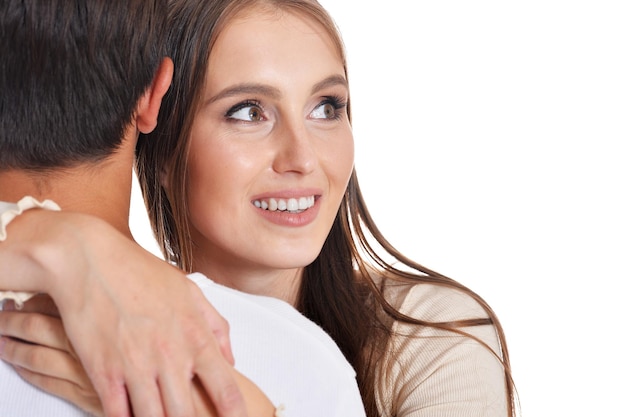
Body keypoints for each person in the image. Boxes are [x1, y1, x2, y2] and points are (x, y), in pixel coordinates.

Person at [1, 0, 518, 416]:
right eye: (248, 112)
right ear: (157, 127)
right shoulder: (298, 362)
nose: (302, 158)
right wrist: (62, 243)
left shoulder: (428, 334)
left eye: (327, 107)